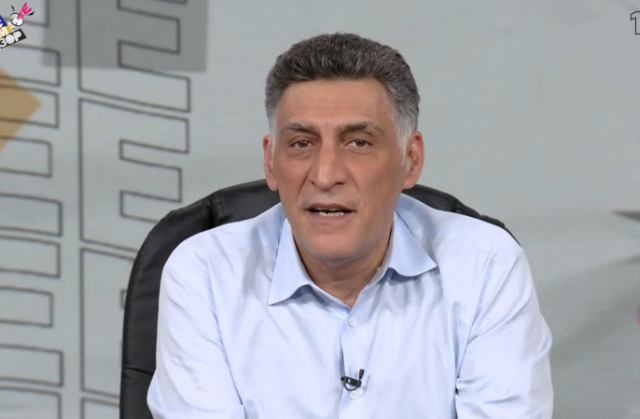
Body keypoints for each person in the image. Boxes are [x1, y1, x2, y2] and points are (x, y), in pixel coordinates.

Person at [147, 33, 553, 418]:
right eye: (302, 143)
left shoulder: (485, 267)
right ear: (270, 162)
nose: (325, 176)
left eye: (358, 142)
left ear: (410, 160)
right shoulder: (205, 274)